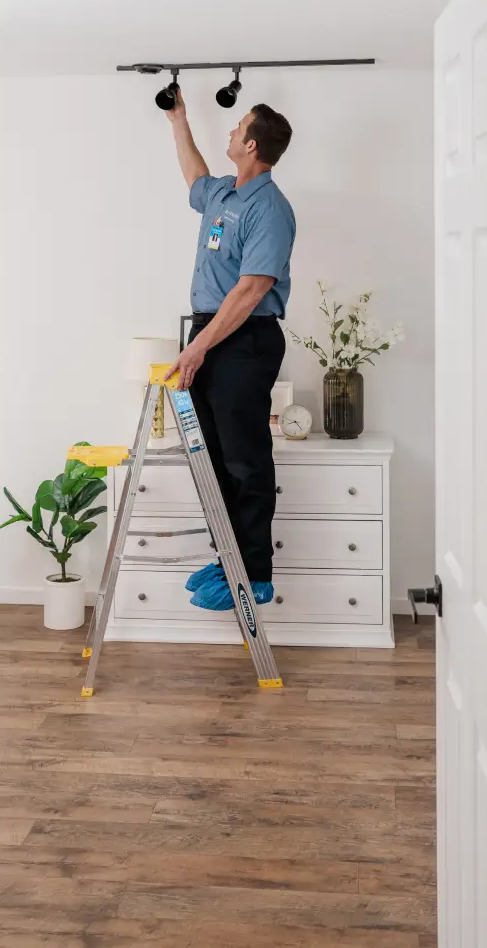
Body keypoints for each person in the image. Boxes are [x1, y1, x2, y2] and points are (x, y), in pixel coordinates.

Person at [164, 88, 295, 612]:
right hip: (208, 335)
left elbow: (251, 290)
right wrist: (178, 118)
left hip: (243, 339)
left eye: (238, 127)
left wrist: (197, 349)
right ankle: (228, 559)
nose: (231, 132)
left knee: (245, 459)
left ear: (253, 143)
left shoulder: (271, 208)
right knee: (211, 456)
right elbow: (194, 176)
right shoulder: (221, 193)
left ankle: (256, 574)